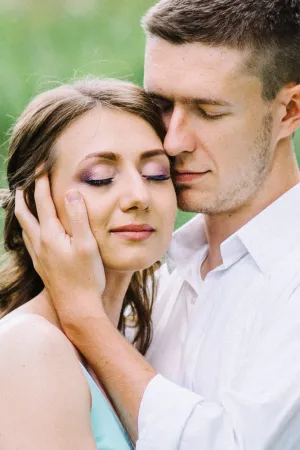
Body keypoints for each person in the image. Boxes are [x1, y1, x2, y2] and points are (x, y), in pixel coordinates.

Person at [14, 0, 300, 448]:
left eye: (208, 110)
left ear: (290, 111)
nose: (173, 140)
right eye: (162, 105)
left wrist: (85, 318)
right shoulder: (163, 281)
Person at [0, 78, 177, 449]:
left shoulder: (139, 341)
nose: (139, 196)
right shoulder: (32, 347)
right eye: (100, 178)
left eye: (157, 173)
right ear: (36, 201)